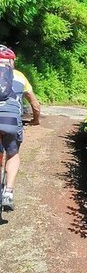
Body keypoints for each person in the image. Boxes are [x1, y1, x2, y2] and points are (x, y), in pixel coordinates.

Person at [0, 45, 41, 211]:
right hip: (11, 121)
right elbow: (35, 104)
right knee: (13, 154)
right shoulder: (19, 76)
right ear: (12, 62)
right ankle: (8, 192)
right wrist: (35, 120)